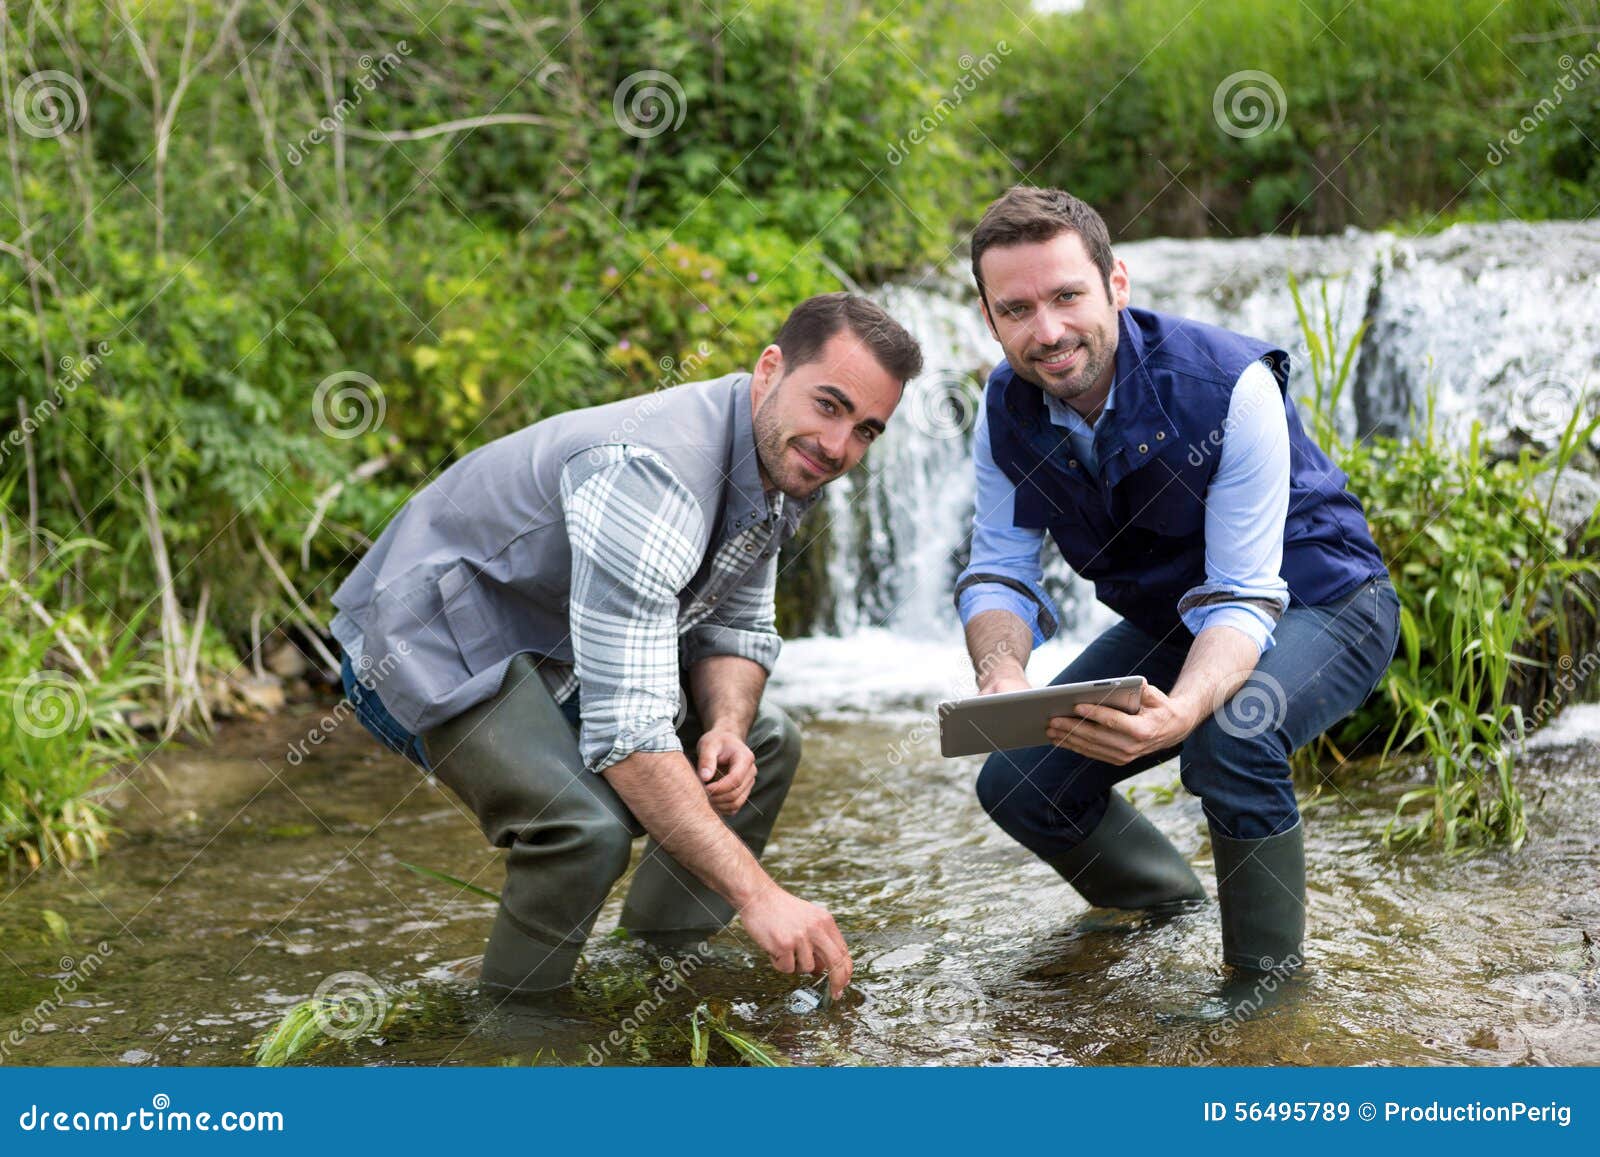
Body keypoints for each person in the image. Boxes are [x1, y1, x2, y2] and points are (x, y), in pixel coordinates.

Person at [329, 293, 921, 1000]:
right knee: (584, 829)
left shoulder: (782, 460)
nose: (838, 446)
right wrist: (763, 898)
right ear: (770, 370)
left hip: (559, 652)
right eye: (829, 405)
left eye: (866, 430)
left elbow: (735, 625)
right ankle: (519, 1042)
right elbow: (629, 737)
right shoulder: (655, 474)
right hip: (428, 637)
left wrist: (727, 730)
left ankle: (649, 979)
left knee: (767, 742)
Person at [955, 186, 1400, 975]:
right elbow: (999, 569)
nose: (1048, 331)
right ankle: (1167, 908)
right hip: (1181, 614)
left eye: (1067, 296)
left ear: (1116, 284)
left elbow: (1243, 592)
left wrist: (1183, 711)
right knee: (1021, 782)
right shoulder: (1002, 407)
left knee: (1230, 739)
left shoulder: (1231, 386)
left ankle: (1266, 986)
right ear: (990, 318)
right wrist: (1002, 672)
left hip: (1328, 599)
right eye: (1017, 309)